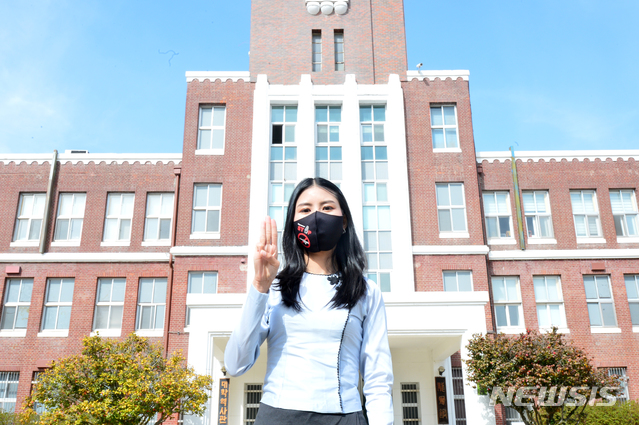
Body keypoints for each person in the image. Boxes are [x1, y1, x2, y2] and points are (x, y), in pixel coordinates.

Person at [225, 177, 394, 425]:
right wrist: (260, 286)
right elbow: (235, 364)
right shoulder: (274, 287)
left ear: (344, 220)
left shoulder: (366, 291)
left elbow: (377, 375)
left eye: (327, 208)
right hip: (279, 416)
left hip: (345, 417)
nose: (316, 216)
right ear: (294, 225)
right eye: (305, 209)